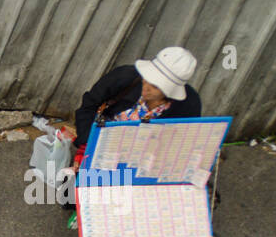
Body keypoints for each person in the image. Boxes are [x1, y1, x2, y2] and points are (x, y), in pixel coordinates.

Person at [72, 46, 202, 163]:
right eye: (147, 78)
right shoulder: (123, 77)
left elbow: (182, 141)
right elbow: (88, 107)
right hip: (101, 145)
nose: (146, 88)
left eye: (155, 86)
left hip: (146, 158)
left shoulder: (189, 104)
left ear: (169, 92)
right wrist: (88, 143)